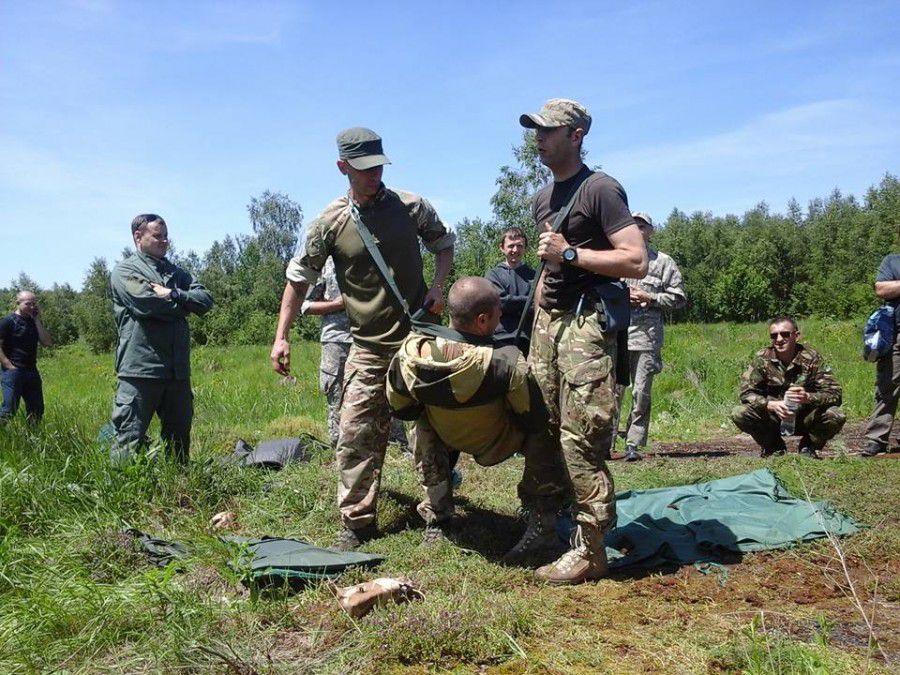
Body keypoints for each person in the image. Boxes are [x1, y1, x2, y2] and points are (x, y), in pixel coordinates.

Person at [271, 127, 454, 550]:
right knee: (354, 436)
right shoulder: (330, 222)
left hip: (415, 342)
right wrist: (281, 336)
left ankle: (439, 518)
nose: (374, 175)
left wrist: (438, 287)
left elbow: (444, 244)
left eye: (378, 167)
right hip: (367, 348)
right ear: (343, 167)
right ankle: (357, 523)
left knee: (428, 433)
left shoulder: (410, 207)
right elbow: (298, 280)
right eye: (364, 168)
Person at [520, 98, 648, 584]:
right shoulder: (541, 198)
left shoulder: (601, 189)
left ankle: (591, 549)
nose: (539, 138)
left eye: (548, 130)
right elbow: (548, 263)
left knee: (581, 436)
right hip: (548, 325)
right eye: (536, 130)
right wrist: (537, 305)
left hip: (585, 324)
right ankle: (542, 526)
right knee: (540, 428)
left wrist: (572, 253)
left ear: (576, 135)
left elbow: (635, 260)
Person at [387, 277, 570, 555]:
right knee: (545, 431)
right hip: (496, 441)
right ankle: (542, 520)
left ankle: (437, 514)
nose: (502, 315)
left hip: (444, 435)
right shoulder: (505, 362)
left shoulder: (412, 354)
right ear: (482, 321)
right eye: (499, 312)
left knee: (422, 424)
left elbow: (401, 408)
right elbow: (532, 418)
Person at [110, 213, 214, 464]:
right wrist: (184, 306)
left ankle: (178, 485)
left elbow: (205, 300)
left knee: (179, 441)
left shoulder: (175, 272)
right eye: (158, 236)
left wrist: (174, 294)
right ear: (138, 236)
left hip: (177, 371)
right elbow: (147, 305)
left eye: (166, 236)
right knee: (128, 440)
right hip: (140, 370)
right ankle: (124, 488)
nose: (165, 241)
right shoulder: (125, 270)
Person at [302, 256, 410, 451]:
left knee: (387, 390)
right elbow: (306, 305)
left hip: (375, 337)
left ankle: (396, 446)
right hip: (337, 339)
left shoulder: (377, 256)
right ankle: (341, 448)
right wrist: (340, 304)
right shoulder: (325, 263)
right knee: (336, 394)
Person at [613, 212, 686, 462]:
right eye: (632, 226)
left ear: (650, 231)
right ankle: (606, 443)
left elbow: (679, 298)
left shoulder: (663, 262)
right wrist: (622, 296)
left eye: (642, 226)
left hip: (647, 338)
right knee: (612, 393)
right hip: (617, 335)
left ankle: (633, 444)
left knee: (641, 393)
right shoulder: (617, 258)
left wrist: (650, 298)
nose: (637, 230)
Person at [731, 317, 845, 459]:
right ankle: (773, 447)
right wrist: (769, 404)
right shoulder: (762, 358)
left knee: (836, 415)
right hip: (774, 417)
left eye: (785, 334)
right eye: (774, 336)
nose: (779, 339)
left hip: (805, 417)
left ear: (796, 336)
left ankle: (808, 447)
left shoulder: (812, 358)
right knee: (739, 413)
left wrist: (808, 397)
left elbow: (834, 393)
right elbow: (746, 393)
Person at [861, 253, 900, 457]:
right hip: (896, 332)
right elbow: (881, 289)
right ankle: (877, 438)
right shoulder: (892, 261)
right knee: (887, 385)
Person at [0, 291, 52, 424]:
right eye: (28, 304)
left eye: (34, 304)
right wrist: (7, 364)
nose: (32, 307)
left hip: (31, 371)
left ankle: (33, 435)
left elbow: (47, 342)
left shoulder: (33, 322)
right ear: (18, 303)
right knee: (9, 410)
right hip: (13, 372)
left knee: (36, 410)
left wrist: (37, 320)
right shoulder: (7, 321)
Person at [485, 227, 536, 350]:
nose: (515, 250)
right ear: (502, 248)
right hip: (501, 339)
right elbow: (500, 302)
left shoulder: (534, 275)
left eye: (520, 246)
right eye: (511, 246)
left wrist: (513, 302)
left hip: (530, 339)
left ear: (525, 248)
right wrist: (529, 301)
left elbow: (540, 304)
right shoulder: (493, 275)